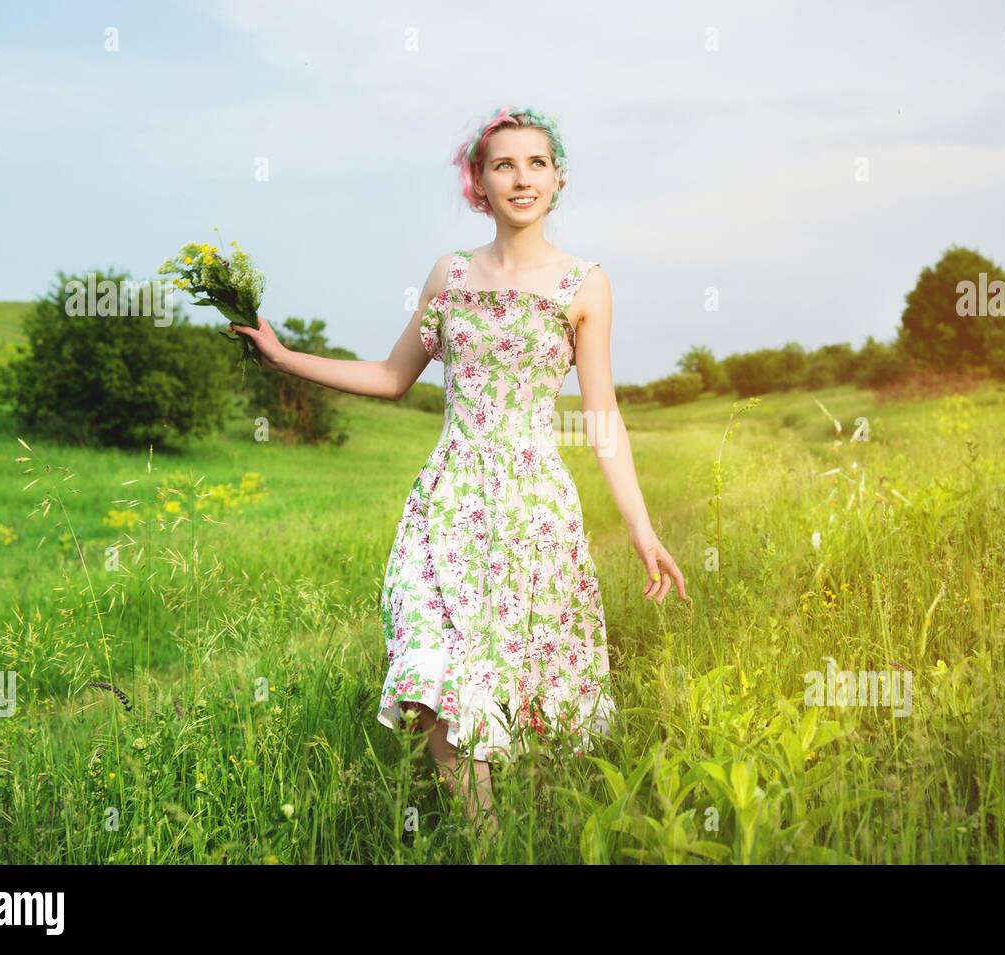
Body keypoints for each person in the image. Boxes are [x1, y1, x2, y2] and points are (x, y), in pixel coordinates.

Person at [229, 104, 688, 837]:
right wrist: (284, 358)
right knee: (426, 675)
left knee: (515, 687)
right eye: (504, 164)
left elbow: (603, 419)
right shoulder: (450, 274)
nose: (522, 177)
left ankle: (502, 841)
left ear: (558, 177)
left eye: (536, 162)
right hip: (445, 502)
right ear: (478, 181)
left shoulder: (584, 284)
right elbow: (390, 376)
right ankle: (489, 841)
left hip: (533, 508)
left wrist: (642, 529)